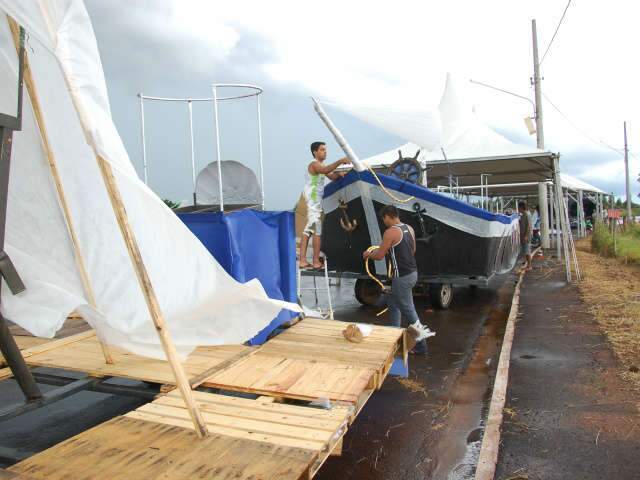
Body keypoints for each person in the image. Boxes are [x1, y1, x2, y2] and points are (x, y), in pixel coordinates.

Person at [362, 205, 434, 355]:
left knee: (409, 312)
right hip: (412, 273)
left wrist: (367, 254)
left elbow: (380, 255)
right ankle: (394, 336)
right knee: (393, 303)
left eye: (384, 219)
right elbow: (412, 250)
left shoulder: (390, 232)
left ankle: (421, 345)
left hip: (401, 278)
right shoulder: (409, 228)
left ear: (388, 216)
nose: (384, 222)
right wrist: (393, 250)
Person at [299, 142, 350, 270]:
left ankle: (303, 260)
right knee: (316, 230)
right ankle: (314, 261)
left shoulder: (321, 165)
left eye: (325, 150)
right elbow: (326, 170)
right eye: (322, 150)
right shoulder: (314, 164)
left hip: (315, 201)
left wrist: (339, 175)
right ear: (315, 152)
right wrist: (341, 161)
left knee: (309, 230)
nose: (325, 152)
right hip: (312, 200)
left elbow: (331, 176)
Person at [518, 200, 533, 270]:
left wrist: (526, 236)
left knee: (527, 251)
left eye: (519, 207)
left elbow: (529, 226)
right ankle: (527, 265)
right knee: (525, 251)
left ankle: (529, 266)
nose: (518, 209)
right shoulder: (523, 214)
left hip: (526, 236)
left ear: (521, 207)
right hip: (523, 235)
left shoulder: (527, 214)